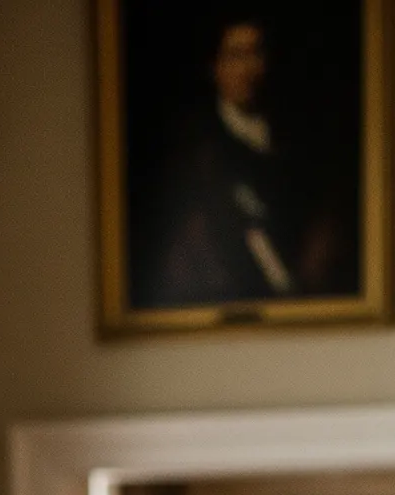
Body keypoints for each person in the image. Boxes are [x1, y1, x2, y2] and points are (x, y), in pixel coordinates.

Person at [136, 17, 349, 310]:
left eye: (256, 54)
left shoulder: (303, 144)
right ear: (216, 67)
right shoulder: (190, 152)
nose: (248, 69)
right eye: (236, 56)